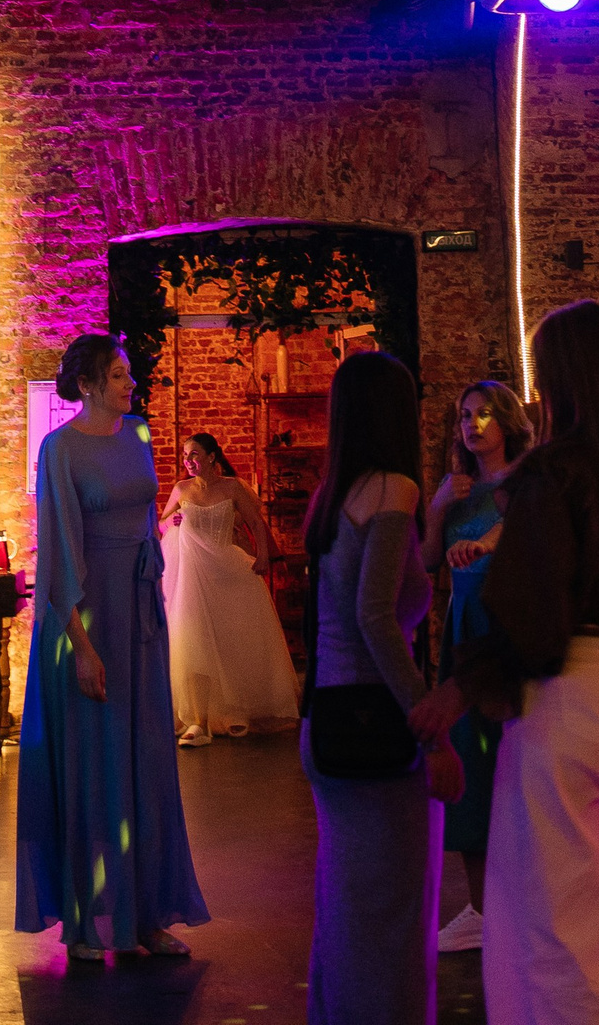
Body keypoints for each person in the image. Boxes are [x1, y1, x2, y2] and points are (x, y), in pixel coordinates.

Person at [413, 299, 599, 1025]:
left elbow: (533, 609)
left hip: (578, 696)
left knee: (550, 920)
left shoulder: (556, 472)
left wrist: (461, 687)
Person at [16, 334, 208, 964]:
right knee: (93, 767)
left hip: (139, 613)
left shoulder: (140, 434)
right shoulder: (60, 448)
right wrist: (82, 646)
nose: (131, 384)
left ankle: (146, 915)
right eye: (120, 375)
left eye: (129, 374)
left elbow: (148, 519)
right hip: (89, 614)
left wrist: (152, 593)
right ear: (89, 385)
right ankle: (86, 922)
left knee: (147, 762)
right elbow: (58, 550)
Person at [301, 348, 460, 1025]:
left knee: (347, 907)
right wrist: (430, 722)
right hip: (376, 721)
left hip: (327, 718)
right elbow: (375, 615)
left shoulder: (333, 494)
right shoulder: (395, 489)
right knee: (394, 912)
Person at [421, 377, 533, 955]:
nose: (473, 424)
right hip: (465, 624)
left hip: (509, 621)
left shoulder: (526, 478)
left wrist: (492, 538)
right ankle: (482, 907)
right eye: (465, 415)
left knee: (520, 754)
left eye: (484, 413)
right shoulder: (457, 488)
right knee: (470, 756)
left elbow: (531, 532)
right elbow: (426, 563)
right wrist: (439, 506)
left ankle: (525, 900)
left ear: (507, 420)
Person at [159, 429, 298, 742]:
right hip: (192, 573)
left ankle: (231, 708)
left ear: (211, 457)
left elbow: (255, 522)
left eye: (194, 454)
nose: (188, 461)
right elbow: (161, 523)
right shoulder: (181, 488)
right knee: (194, 638)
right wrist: (171, 522)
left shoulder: (232, 487)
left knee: (228, 639)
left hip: (225, 567)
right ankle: (198, 720)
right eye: (185, 456)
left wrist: (262, 555)